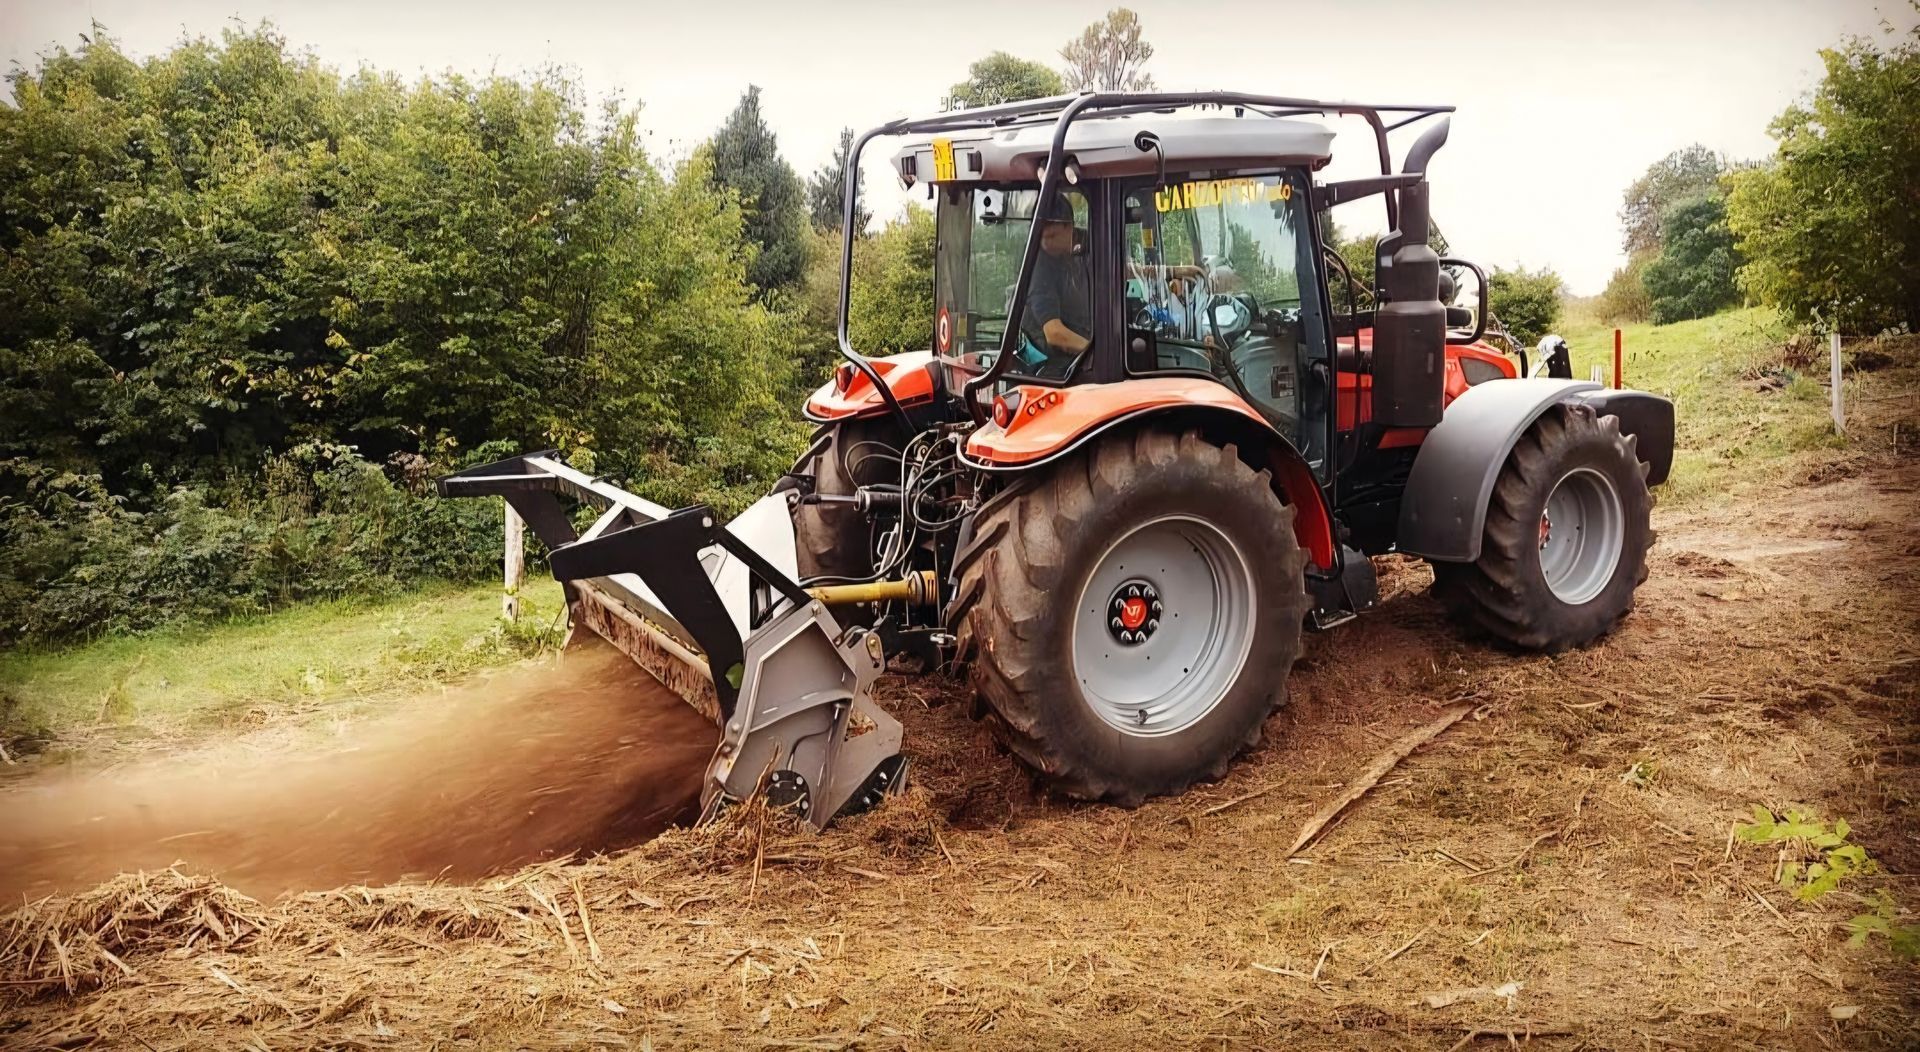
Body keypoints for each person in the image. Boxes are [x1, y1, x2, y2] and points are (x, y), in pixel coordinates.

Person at [1024, 193, 1092, 357]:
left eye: (1052, 236)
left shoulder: (1090, 242)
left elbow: (1117, 267)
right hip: (1052, 361)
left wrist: (1160, 271)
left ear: (1070, 227)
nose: (1045, 244)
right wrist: (1096, 352)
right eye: (1041, 237)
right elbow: (1055, 334)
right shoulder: (1039, 265)